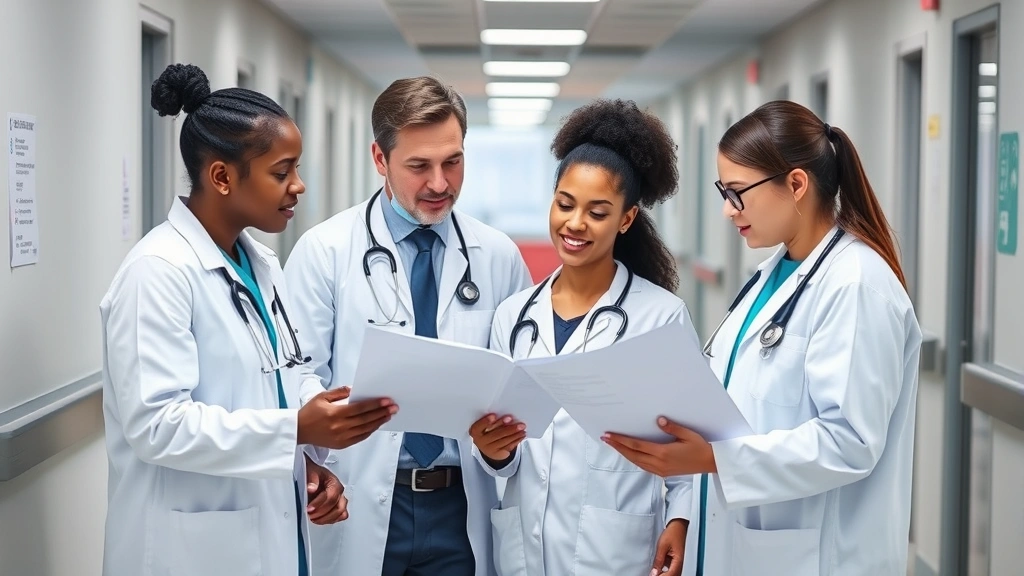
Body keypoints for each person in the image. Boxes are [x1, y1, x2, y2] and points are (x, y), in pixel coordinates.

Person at [99, 63, 398, 576]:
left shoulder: (259, 264)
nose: (298, 186)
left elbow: (285, 374)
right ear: (221, 176)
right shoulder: (158, 272)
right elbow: (157, 425)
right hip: (191, 550)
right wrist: (294, 430)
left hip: (271, 531)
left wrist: (308, 455)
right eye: (282, 172)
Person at [604, 100, 922, 576]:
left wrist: (716, 459)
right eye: (723, 191)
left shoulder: (855, 284)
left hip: (819, 557)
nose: (728, 211)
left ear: (796, 184)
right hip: (742, 544)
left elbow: (849, 441)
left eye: (737, 193)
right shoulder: (770, 275)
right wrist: (687, 517)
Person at [283, 76, 532, 576]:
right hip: (361, 493)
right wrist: (326, 424)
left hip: (462, 505)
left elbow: (521, 378)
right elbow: (296, 372)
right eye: (419, 166)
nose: (440, 184)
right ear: (381, 159)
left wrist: (504, 438)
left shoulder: (498, 256)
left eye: (453, 162)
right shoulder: (325, 250)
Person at [469, 99, 700, 576]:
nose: (575, 224)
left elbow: (689, 438)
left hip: (615, 550)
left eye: (598, 212)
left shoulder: (659, 317)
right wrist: (496, 452)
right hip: (524, 547)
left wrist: (680, 519)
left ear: (627, 219)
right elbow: (499, 450)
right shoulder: (513, 316)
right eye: (565, 204)